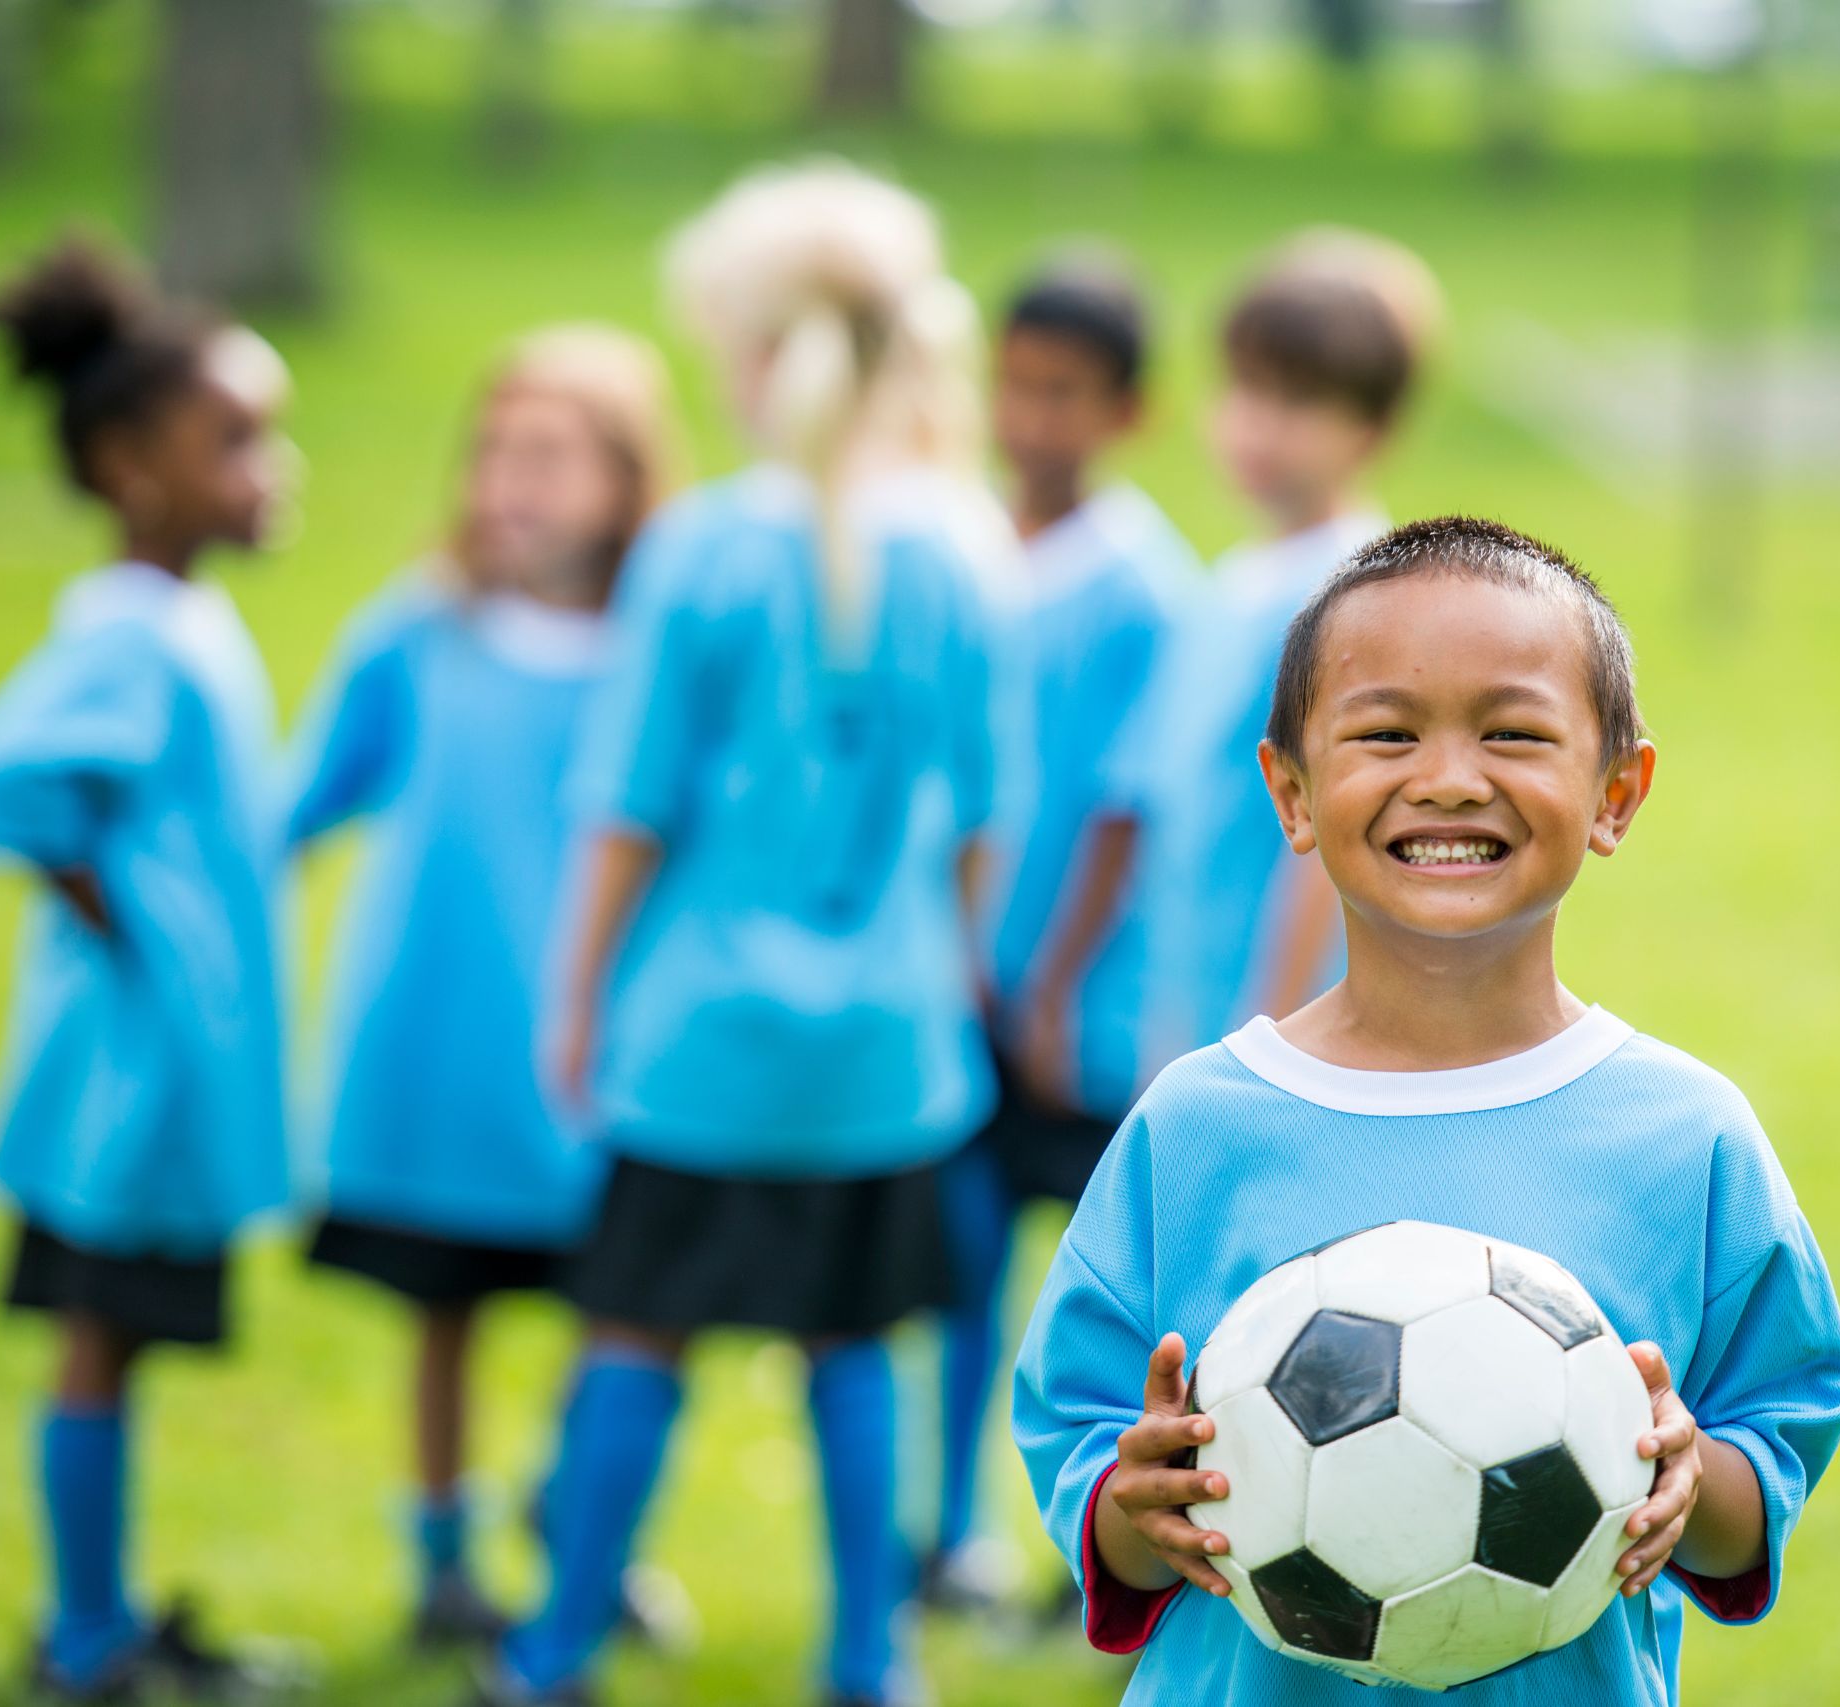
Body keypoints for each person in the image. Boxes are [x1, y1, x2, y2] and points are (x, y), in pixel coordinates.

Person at [1013, 517, 1840, 1703]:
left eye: (1512, 733)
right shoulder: (1196, 1127)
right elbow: (1081, 1436)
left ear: (1616, 791)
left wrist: (1687, 1479)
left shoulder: (1685, 1138)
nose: (1449, 779)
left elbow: (1764, 1464)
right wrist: (1129, 1509)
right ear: (1293, 794)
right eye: (1386, 735)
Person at [472, 162, 1005, 1707]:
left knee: (632, 1331)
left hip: (700, 1041)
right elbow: (989, 818)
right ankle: (870, 1655)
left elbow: (625, 803)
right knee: (859, 1342)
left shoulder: (701, 548)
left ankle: (555, 1649)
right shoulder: (962, 559)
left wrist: (574, 995)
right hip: (889, 1050)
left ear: (756, 353)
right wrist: (946, 975)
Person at [282, 326, 683, 1648]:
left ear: (629, 481)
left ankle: (583, 1535)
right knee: (442, 1311)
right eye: (499, 451)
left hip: (596, 1048)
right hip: (437, 1040)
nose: (516, 481)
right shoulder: (421, 629)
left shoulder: (657, 645)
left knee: (613, 1315)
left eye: (554, 457)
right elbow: (302, 797)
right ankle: (441, 1559)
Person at [0, 238, 303, 1701]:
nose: (267, 466)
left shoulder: (180, 616)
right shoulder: (131, 635)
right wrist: (124, 920)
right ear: (126, 462)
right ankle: (82, 1634)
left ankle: (96, 1612)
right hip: (125, 1075)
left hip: (163, 1061)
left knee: (119, 1346)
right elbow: (5, 778)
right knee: (97, 1342)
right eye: (231, 439)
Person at [926, 256, 1199, 1616]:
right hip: (956, 986)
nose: (1032, 416)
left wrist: (1050, 980)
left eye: (1065, 393)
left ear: (1125, 410)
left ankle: (1092, 1544)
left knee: (1099, 1291)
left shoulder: (1147, 581)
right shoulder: (953, 541)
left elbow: (1123, 806)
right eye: (1016, 384)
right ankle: (941, 1530)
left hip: (1079, 1007)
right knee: (956, 1267)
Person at [1115, 230, 1442, 1086]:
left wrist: (1275, 1028)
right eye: (1247, 392)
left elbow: (1330, 850)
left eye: (1298, 404)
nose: (1259, 427)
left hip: (1284, 1027)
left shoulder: (1355, 595)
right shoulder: (1232, 581)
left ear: (1370, 427)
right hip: (1191, 999)